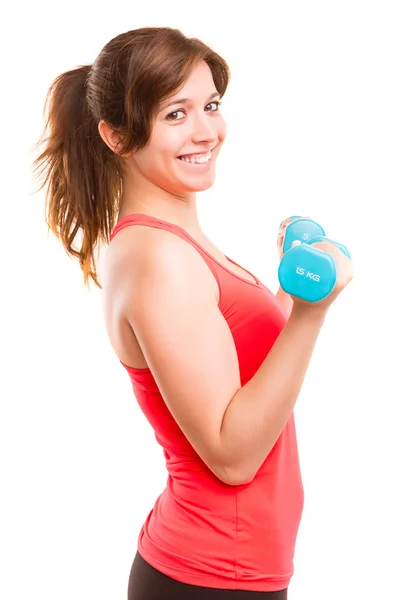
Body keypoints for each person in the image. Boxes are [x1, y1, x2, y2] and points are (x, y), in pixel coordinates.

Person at [33, 26, 353, 600]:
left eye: (210, 105)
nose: (207, 130)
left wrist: (289, 294)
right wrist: (312, 312)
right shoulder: (158, 257)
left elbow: (238, 375)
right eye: (175, 115)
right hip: (207, 579)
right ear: (117, 135)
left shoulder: (177, 242)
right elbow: (232, 455)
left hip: (232, 571)